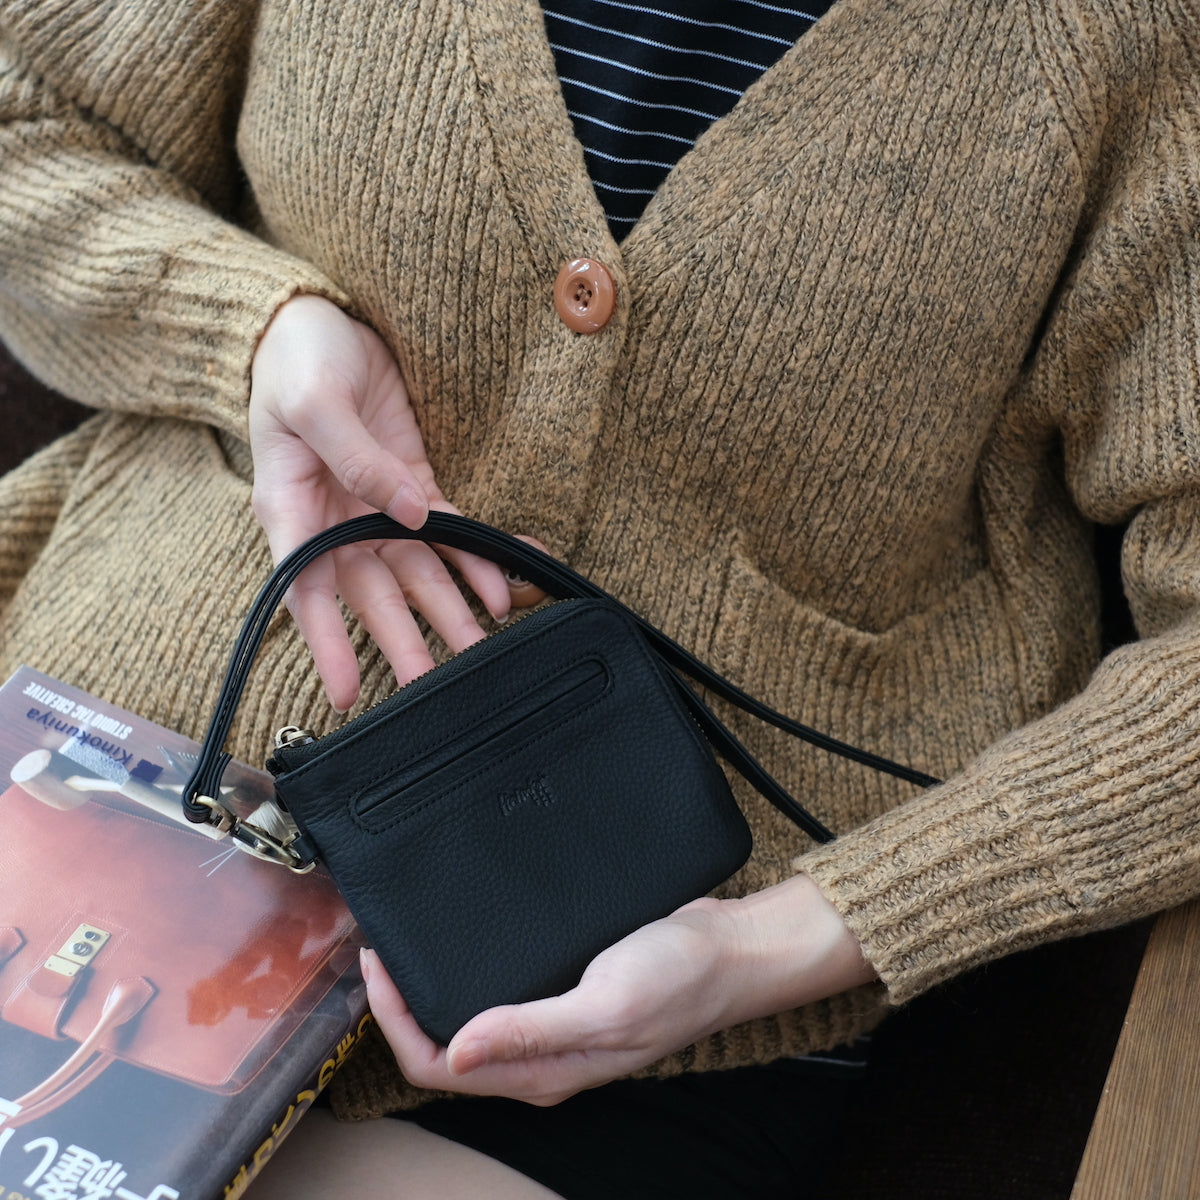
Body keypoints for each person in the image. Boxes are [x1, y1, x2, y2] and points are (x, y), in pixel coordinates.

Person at [1, 1, 1197, 1196]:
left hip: (653, 1006)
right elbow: (24, 116)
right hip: (82, 809)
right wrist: (254, 326)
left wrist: (800, 934)